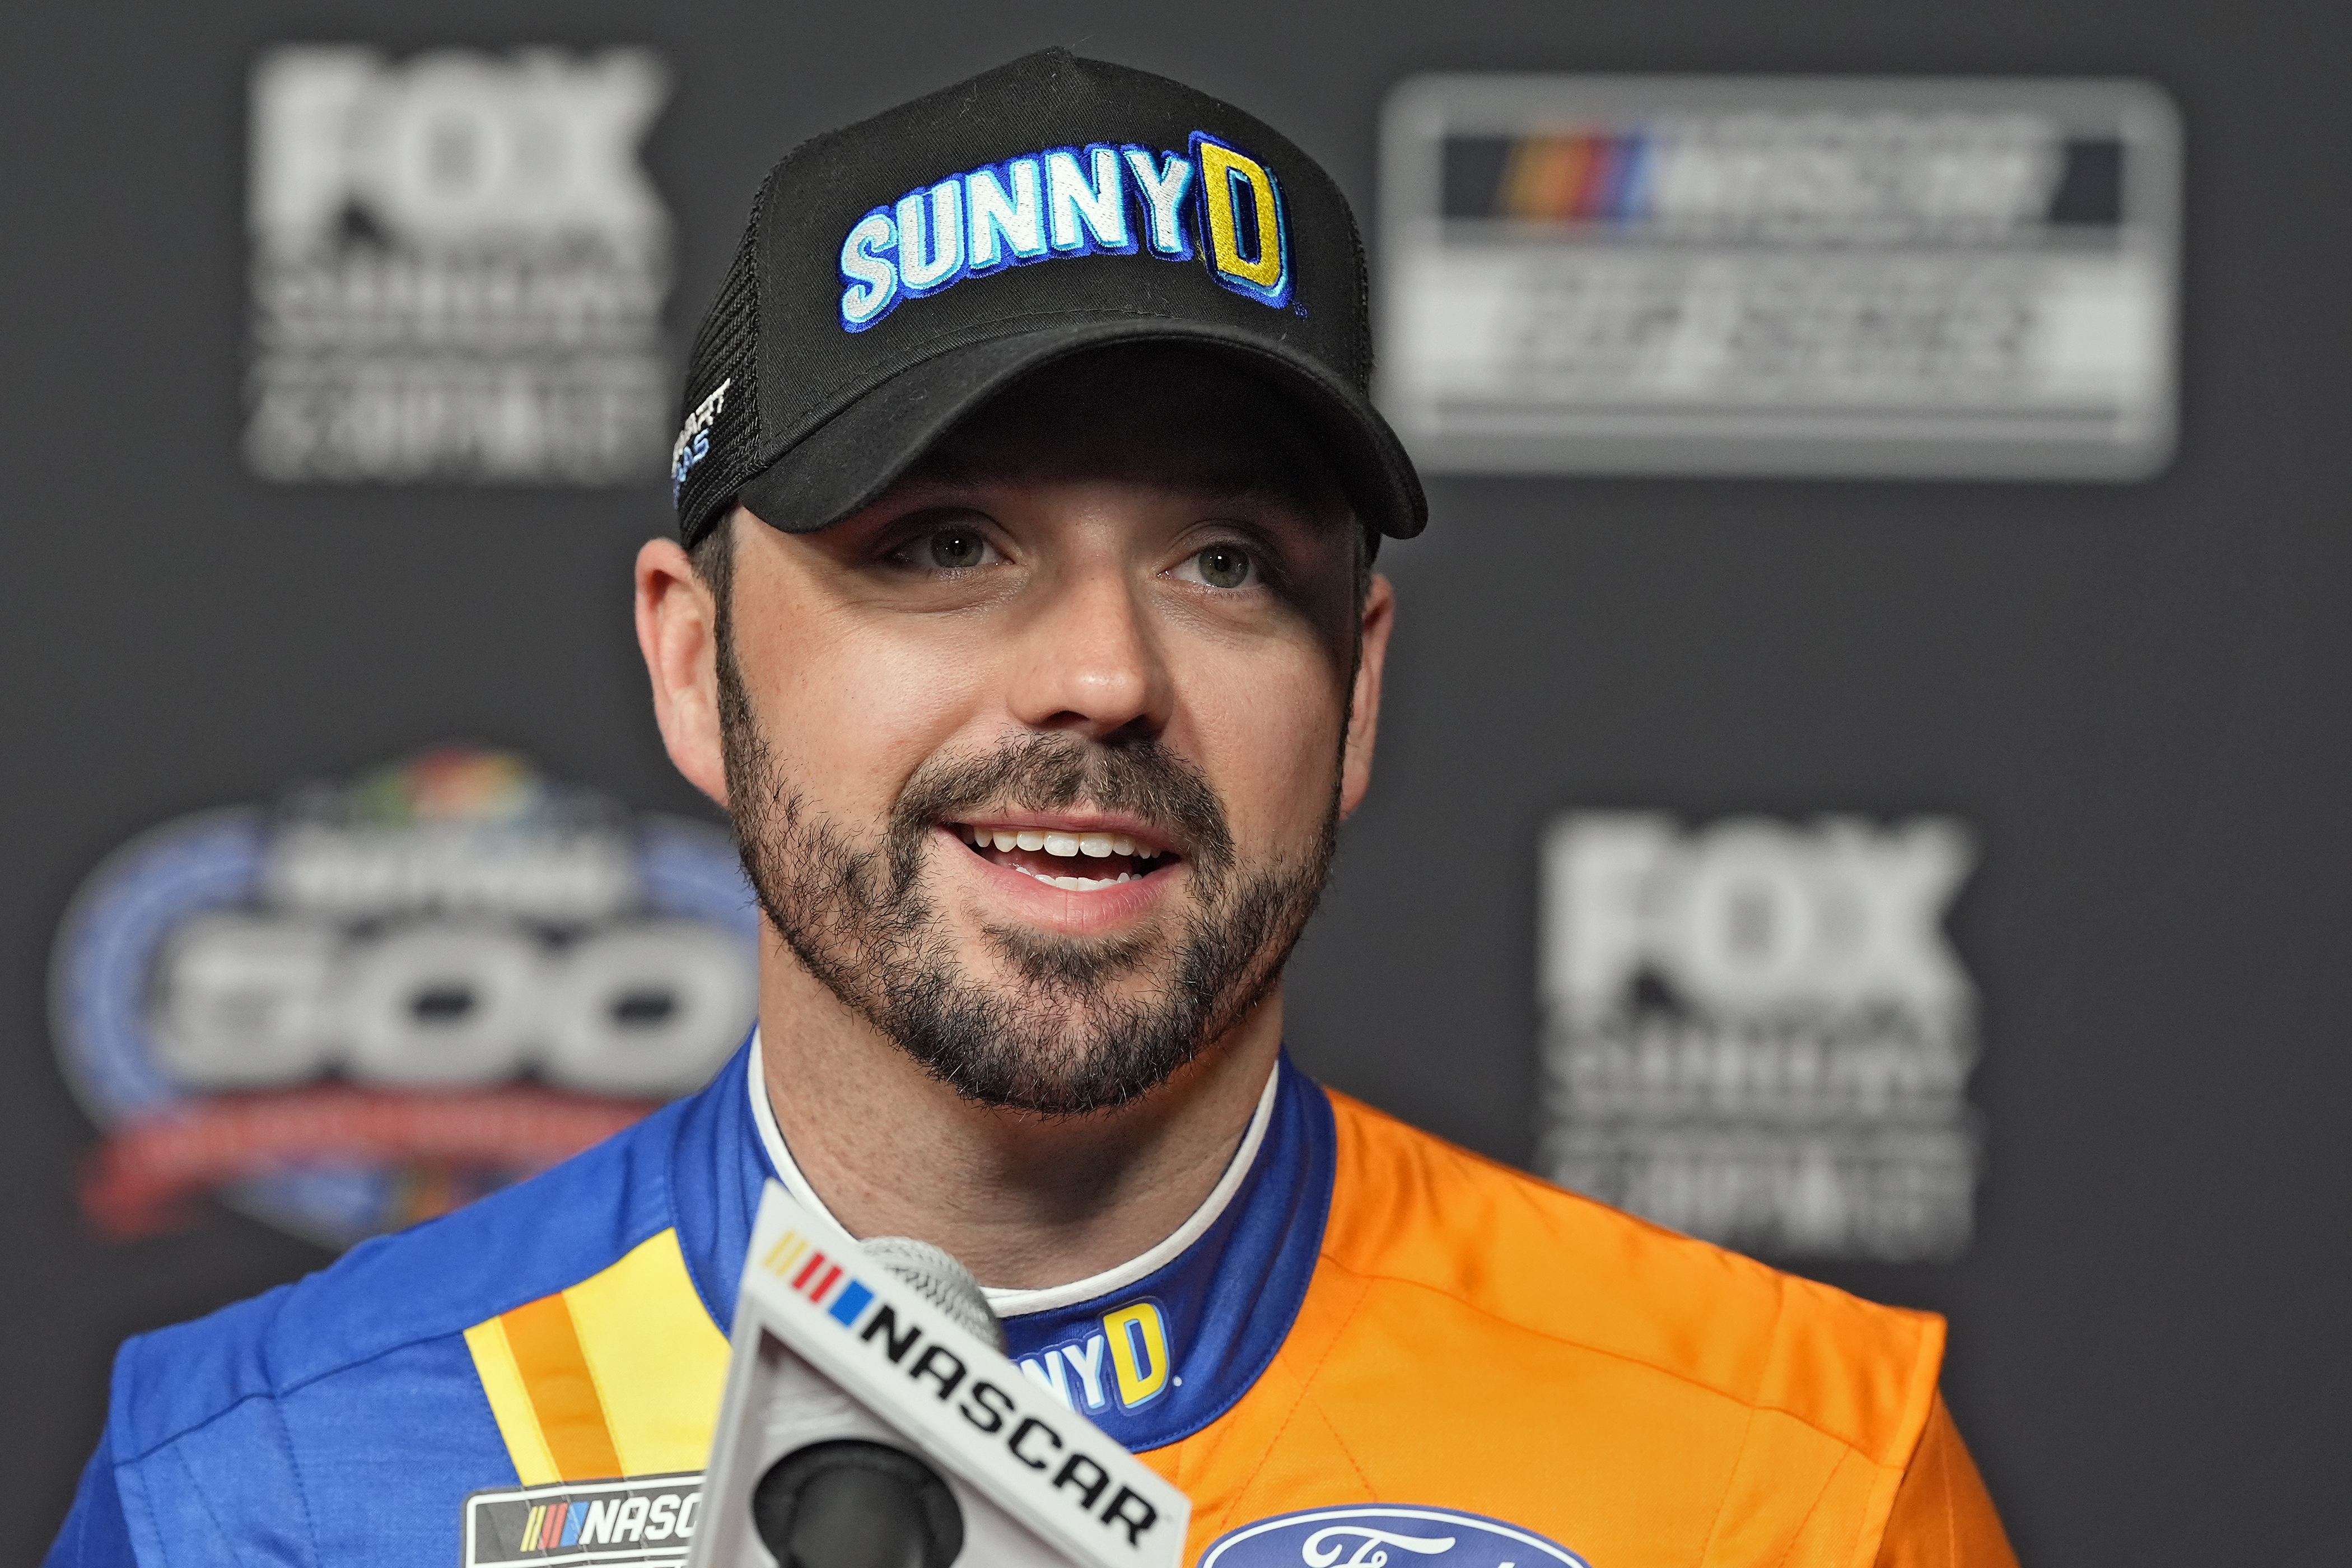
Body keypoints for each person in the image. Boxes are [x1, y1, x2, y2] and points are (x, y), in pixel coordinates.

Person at [46, 49, 2015, 1568]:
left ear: (1360, 690)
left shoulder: (1792, 1472)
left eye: (1229, 563)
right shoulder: (270, 1479)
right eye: (946, 542)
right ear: (687, 664)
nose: (1101, 671)